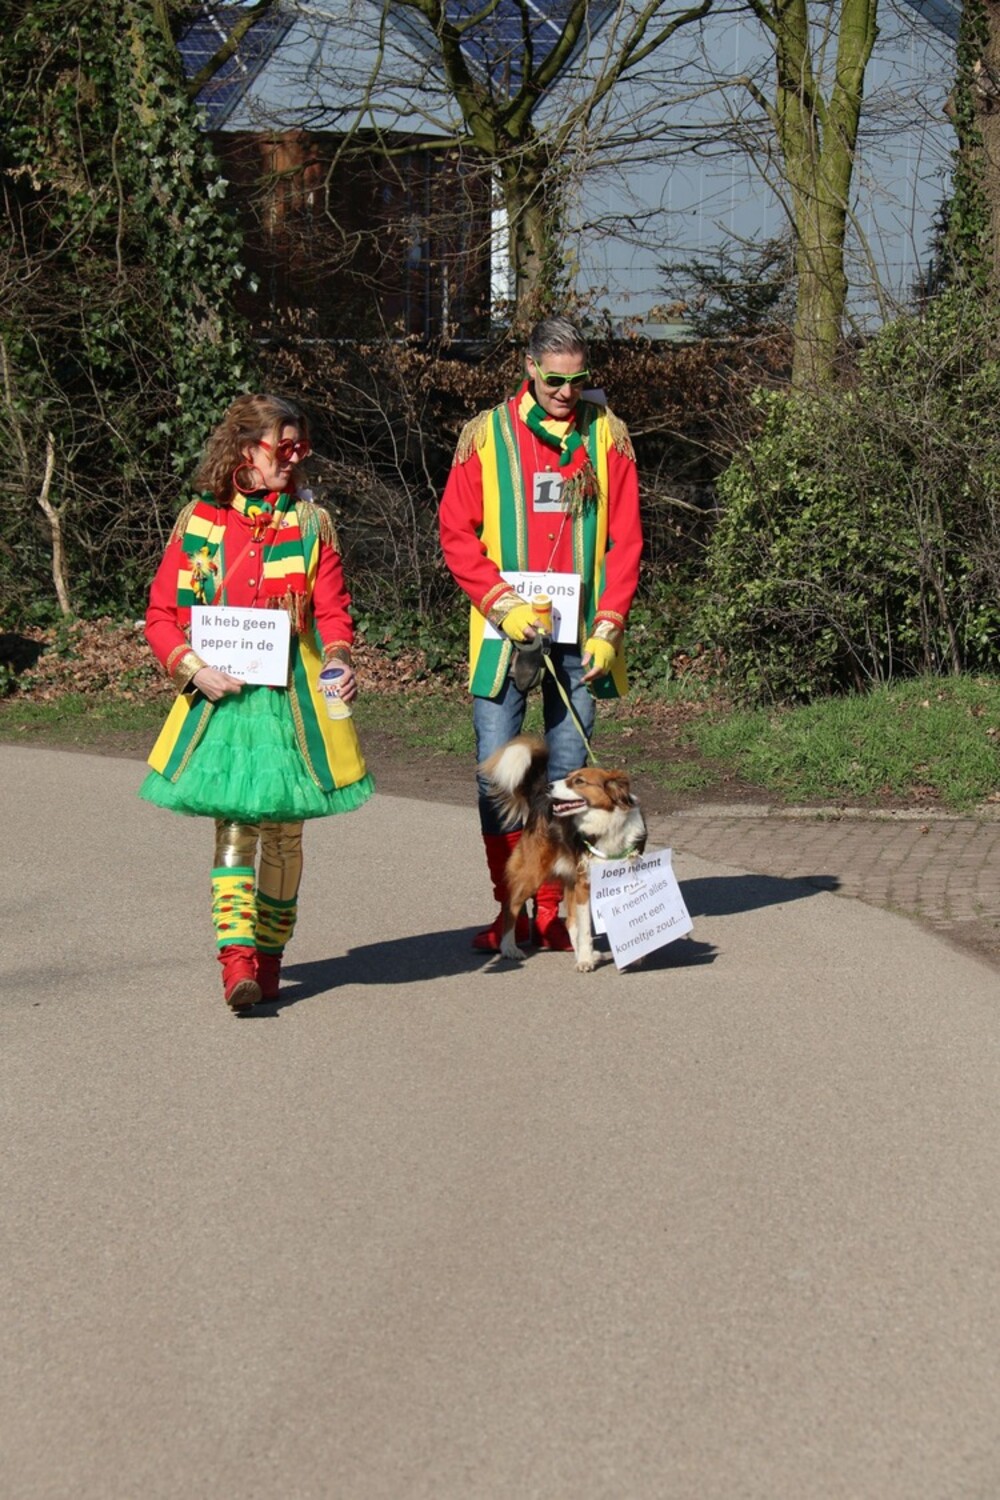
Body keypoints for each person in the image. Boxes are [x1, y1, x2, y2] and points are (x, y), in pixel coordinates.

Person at [140, 393, 374, 1009]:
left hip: (292, 703)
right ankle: (237, 962)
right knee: (236, 827)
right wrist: (193, 669)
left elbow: (333, 612)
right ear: (247, 449)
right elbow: (161, 616)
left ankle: (269, 960)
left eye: (301, 448)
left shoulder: (311, 523)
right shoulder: (200, 520)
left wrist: (341, 659)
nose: (294, 458)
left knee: (285, 835)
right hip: (223, 701)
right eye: (283, 447)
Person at [438, 317, 643, 952]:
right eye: (555, 380)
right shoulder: (485, 435)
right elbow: (456, 533)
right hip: (505, 631)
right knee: (495, 775)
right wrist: (502, 605)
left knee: (571, 774)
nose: (566, 391)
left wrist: (608, 626)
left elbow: (626, 541)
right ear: (529, 369)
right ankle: (512, 909)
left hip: (583, 637)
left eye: (578, 379)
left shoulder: (608, 436)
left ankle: (555, 912)